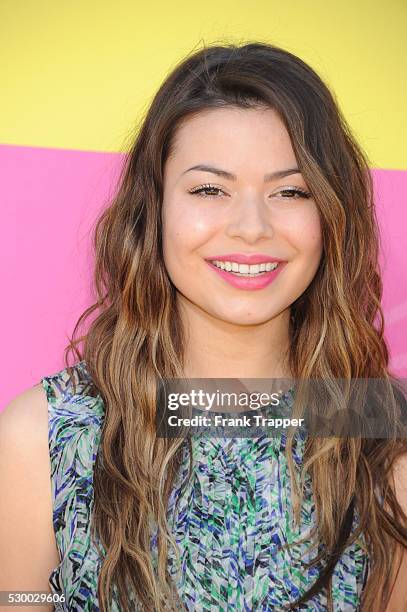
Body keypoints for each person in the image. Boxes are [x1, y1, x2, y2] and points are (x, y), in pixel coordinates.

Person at [1, 41, 407, 612]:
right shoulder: (44, 436)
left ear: (331, 216)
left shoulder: (384, 438)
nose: (251, 227)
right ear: (155, 208)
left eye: (290, 191)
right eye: (209, 189)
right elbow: (17, 595)